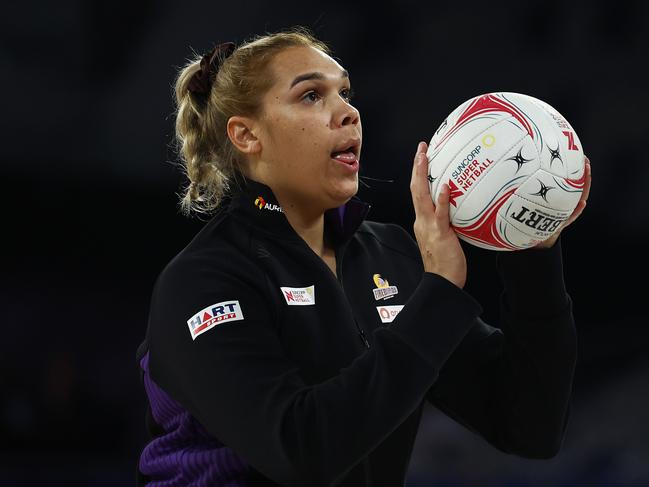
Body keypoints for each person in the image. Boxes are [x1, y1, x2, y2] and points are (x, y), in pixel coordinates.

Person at [135, 27, 591, 487]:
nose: (348, 112)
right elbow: (299, 450)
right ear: (247, 135)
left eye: (345, 93)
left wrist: (532, 251)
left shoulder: (389, 257)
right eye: (311, 96)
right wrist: (437, 294)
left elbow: (529, 428)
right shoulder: (204, 281)